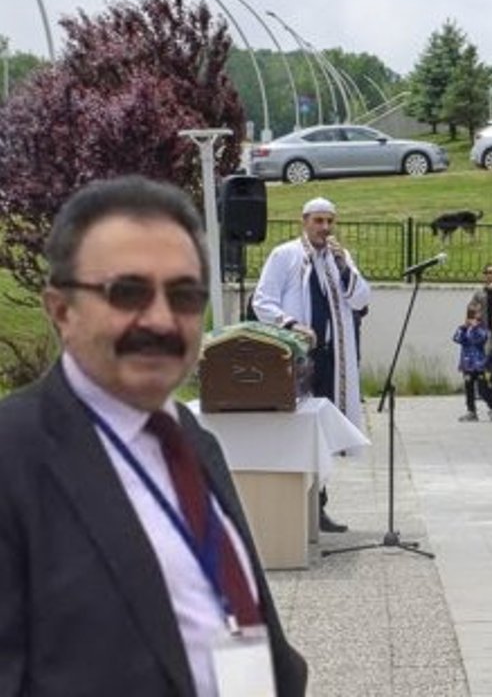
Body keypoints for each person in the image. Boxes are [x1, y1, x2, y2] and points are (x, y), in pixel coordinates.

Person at [0, 175, 307, 695]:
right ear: (61, 311)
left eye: (185, 295)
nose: (162, 320)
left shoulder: (190, 439)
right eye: (128, 293)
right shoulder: (13, 458)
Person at [252, 196, 371, 534]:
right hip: (298, 356)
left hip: (333, 358)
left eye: (330, 221)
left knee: (321, 430)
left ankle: (318, 505)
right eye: (318, 221)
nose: (325, 228)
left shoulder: (340, 258)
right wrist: (290, 324)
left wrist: (344, 268)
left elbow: (361, 298)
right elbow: (263, 299)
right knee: (297, 428)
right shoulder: (285, 255)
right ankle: (296, 505)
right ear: (304, 221)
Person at [453, 303, 492, 422]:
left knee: (482, 388)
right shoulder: (464, 328)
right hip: (467, 363)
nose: (476, 318)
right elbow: (457, 339)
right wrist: (464, 328)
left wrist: (474, 328)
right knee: (469, 387)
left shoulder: (482, 329)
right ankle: (471, 411)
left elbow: (480, 339)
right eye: (474, 315)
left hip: (479, 364)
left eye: (479, 314)